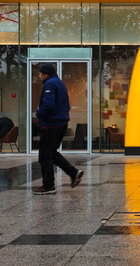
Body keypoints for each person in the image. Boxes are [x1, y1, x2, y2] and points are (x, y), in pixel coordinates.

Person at [33, 62, 83, 195]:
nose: (39, 76)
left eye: (41, 73)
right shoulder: (60, 83)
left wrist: (38, 113)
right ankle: (73, 173)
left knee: (44, 155)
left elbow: (48, 105)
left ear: (46, 74)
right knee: (50, 153)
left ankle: (48, 185)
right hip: (61, 123)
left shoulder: (50, 84)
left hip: (51, 124)